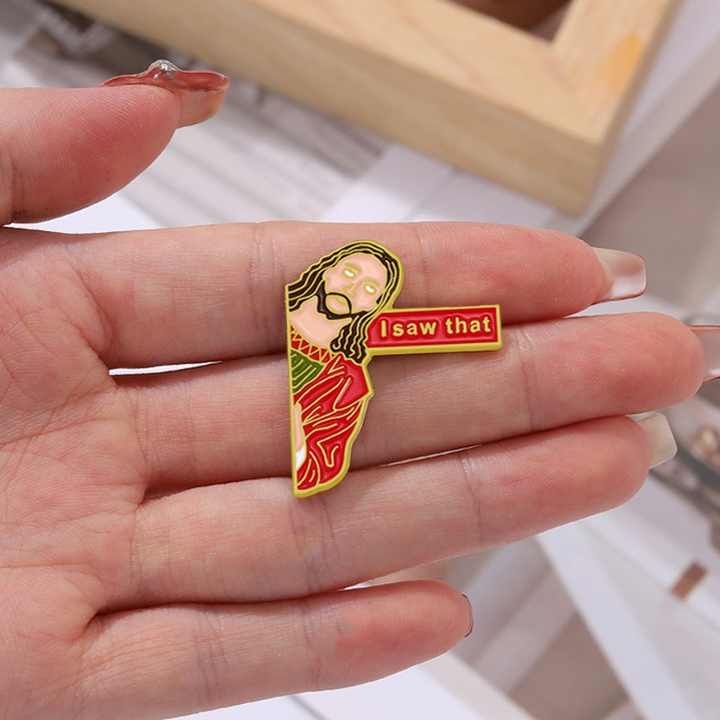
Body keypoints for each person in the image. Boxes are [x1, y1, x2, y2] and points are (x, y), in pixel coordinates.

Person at [0, 63, 716, 720]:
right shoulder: (319, 333)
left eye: (365, 285)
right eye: (346, 280)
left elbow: (404, 336)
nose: (354, 288)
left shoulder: (357, 338)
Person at [287, 241, 401, 495]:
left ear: (375, 305)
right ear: (328, 271)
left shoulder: (348, 383)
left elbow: (318, 471)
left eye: (369, 288)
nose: (351, 288)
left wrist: (299, 435)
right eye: (349, 272)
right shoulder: (276, 316)